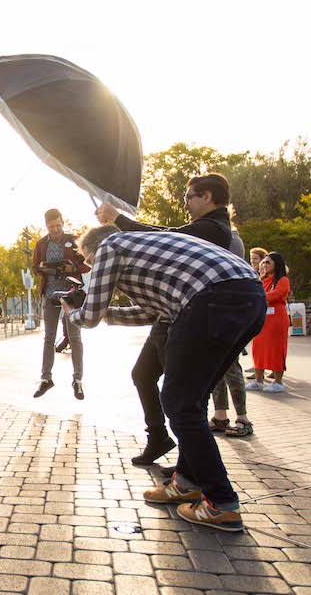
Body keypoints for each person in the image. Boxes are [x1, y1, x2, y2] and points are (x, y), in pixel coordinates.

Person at [65, 225, 265, 532]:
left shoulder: (111, 245)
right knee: (193, 401)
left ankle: (222, 503)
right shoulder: (147, 251)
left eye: (88, 261)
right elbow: (152, 313)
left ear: (95, 249)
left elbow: (88, 317)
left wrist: (72, 312)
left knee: (179, 403)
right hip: (249, 296)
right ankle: (187, 482)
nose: (90, 268)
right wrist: (104, 313)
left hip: (210, 299)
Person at [95, 173, 233, 466]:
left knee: (183, 400)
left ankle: (191, 470)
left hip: (190, 316)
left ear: (206, 196)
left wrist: (119, 220)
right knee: (144, 375)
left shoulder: (216, 229)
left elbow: (164, 235)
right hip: (172, 312)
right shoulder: (209, 227)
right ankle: (159, 438)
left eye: (188, 198)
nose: (185, 205)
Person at [32, 209, 87, 399]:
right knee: (49, 337)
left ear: (63, 222)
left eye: (58, 225)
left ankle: (77, 380)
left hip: (71, 295)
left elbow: (87, 263)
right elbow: (35, 266)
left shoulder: (74, 240)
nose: (55, 229)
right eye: (51, 226)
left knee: (75, 336)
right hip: (50, 294)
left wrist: (73, 267)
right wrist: (41, 269)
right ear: (46, 225)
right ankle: (46, 379)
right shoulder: (41, 244)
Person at [209, 223, 254, 438]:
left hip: (230, 309)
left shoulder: (231, 239)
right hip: (215, 308)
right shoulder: (222, 236)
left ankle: (243, 419)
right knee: (215, 367)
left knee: (230, 365)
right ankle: (220, 416)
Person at [246, 252, 290, 393]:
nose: (264, 265)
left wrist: (258, 296)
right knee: (258, 349)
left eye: (268, 263)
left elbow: (276, 294)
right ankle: (258, 380)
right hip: (262, 319)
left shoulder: (283, 280)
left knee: (276, 350)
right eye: (263, 262)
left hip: (277, 319)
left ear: (276, 265)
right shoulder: (260, 279)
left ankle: (278, 381)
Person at [244, 247, 269, 377]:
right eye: (251, 258)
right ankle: (258, 366)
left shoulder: (265, 274)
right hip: (256, 309)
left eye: (255, 258)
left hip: (266, 312)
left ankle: (263, 368)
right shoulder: (252, 272)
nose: (252, 261)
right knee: (256, 341)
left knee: (264, 342)